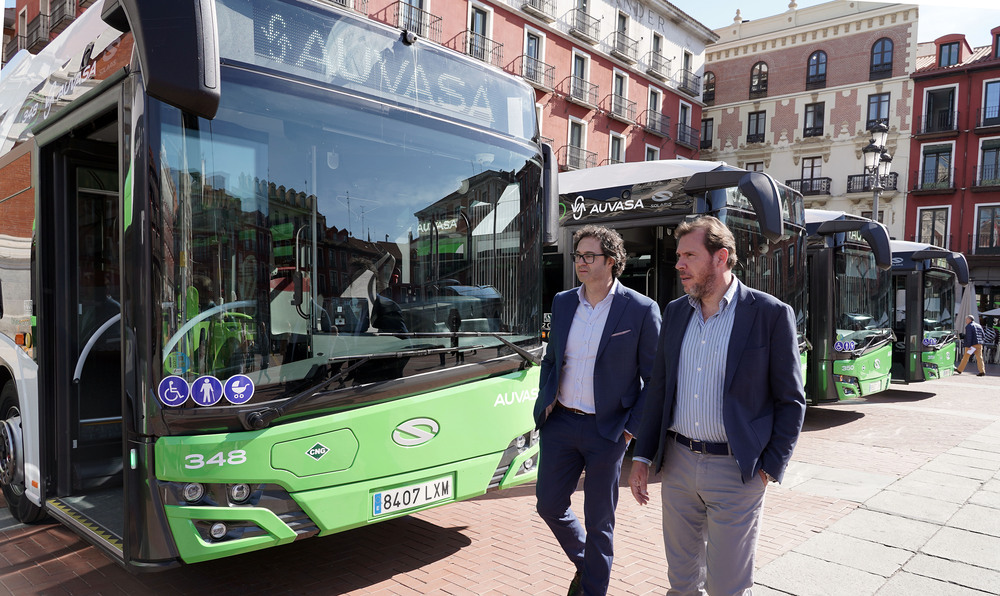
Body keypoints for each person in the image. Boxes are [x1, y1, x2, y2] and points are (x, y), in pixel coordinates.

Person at [628, 216, 806, 596]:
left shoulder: (770, 314)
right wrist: (642, 458)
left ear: (721, 257)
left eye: (689, 255)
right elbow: (658, 389)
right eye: (678, 255)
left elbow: (791, 401)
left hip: (737, 471)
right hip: (677, 465)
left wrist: (769, 469)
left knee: (728, 587)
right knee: (681, 583)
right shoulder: (675, 312)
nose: (679, 264)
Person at [534, 225, 661, 596]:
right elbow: (553, 359)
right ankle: (588, 564)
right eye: (578, 255)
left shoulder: (639, 310)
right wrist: (546, 402)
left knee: (600, 521)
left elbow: (655, 380)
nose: (580, 263)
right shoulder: (562, 302)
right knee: (548, 504)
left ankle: (592, 589)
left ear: (613, 261)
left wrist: (628, 431)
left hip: (608, 432)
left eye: (590, 256)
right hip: (561, 423)